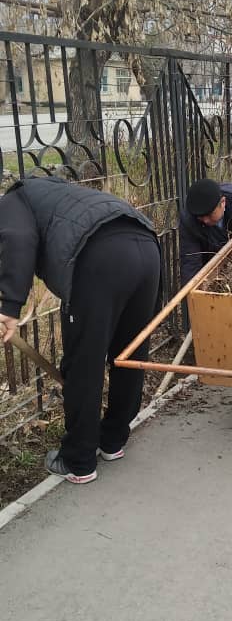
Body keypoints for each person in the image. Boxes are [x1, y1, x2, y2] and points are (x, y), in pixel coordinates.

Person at [0, 175, 161, 485]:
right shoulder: (58, 194)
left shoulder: (13, 200)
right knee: (129, 354)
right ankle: (112, 441)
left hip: (100, 256)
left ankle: (79, 460)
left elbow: (18, 239)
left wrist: (9, 307)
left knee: (85, 361)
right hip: (147, 245)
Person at [179, 178, 232, 286]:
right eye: (200, 217)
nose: (205, 220)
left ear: (223, 202)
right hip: (211, 265)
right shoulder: (189, 218)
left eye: (209, 215)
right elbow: (190, 261)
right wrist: (191, 291)